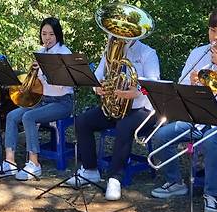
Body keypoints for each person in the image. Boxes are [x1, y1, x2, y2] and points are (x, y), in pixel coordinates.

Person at [149, 8, 217, 212]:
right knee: (161, 136)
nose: (215, 37)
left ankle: (212, 196)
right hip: (198, 118)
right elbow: (180, 84)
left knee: (211, 141)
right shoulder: (198, 52)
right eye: (212, 31)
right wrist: (192, 82)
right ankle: (176, 182)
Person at [66, 35, 160, 201]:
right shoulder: (110, 51)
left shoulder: (148, 53)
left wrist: (137, 91)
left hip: (142, 109)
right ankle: (90, 170)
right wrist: (98, 88)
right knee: (82, 121)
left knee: (124, 126)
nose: (118, 36)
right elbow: (96, 77)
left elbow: (154, 85)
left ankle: (115, 178)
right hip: (116, 105)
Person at [0, 17, 74, 180]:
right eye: (44, 34)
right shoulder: (41, 52)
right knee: (12, 116)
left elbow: (63, 85)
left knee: (28, 116)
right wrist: (32, 73)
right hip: (43, 100)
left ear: (58, 35)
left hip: (62, 102)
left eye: (51, 34)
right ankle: (10, 162)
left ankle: (34, 163)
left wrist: (47, 70)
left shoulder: (64, 53)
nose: (47, 38)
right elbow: (36, 84)